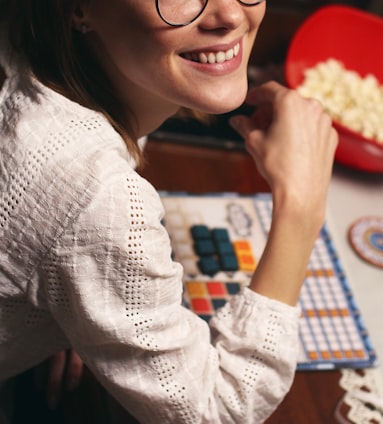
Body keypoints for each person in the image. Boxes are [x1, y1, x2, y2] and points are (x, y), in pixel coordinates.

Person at [0, 0, 338, 423]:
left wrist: (78, 298)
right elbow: (214, 410)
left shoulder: (37, 49)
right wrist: (302, 203)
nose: (231, 15)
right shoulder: (99, 195)